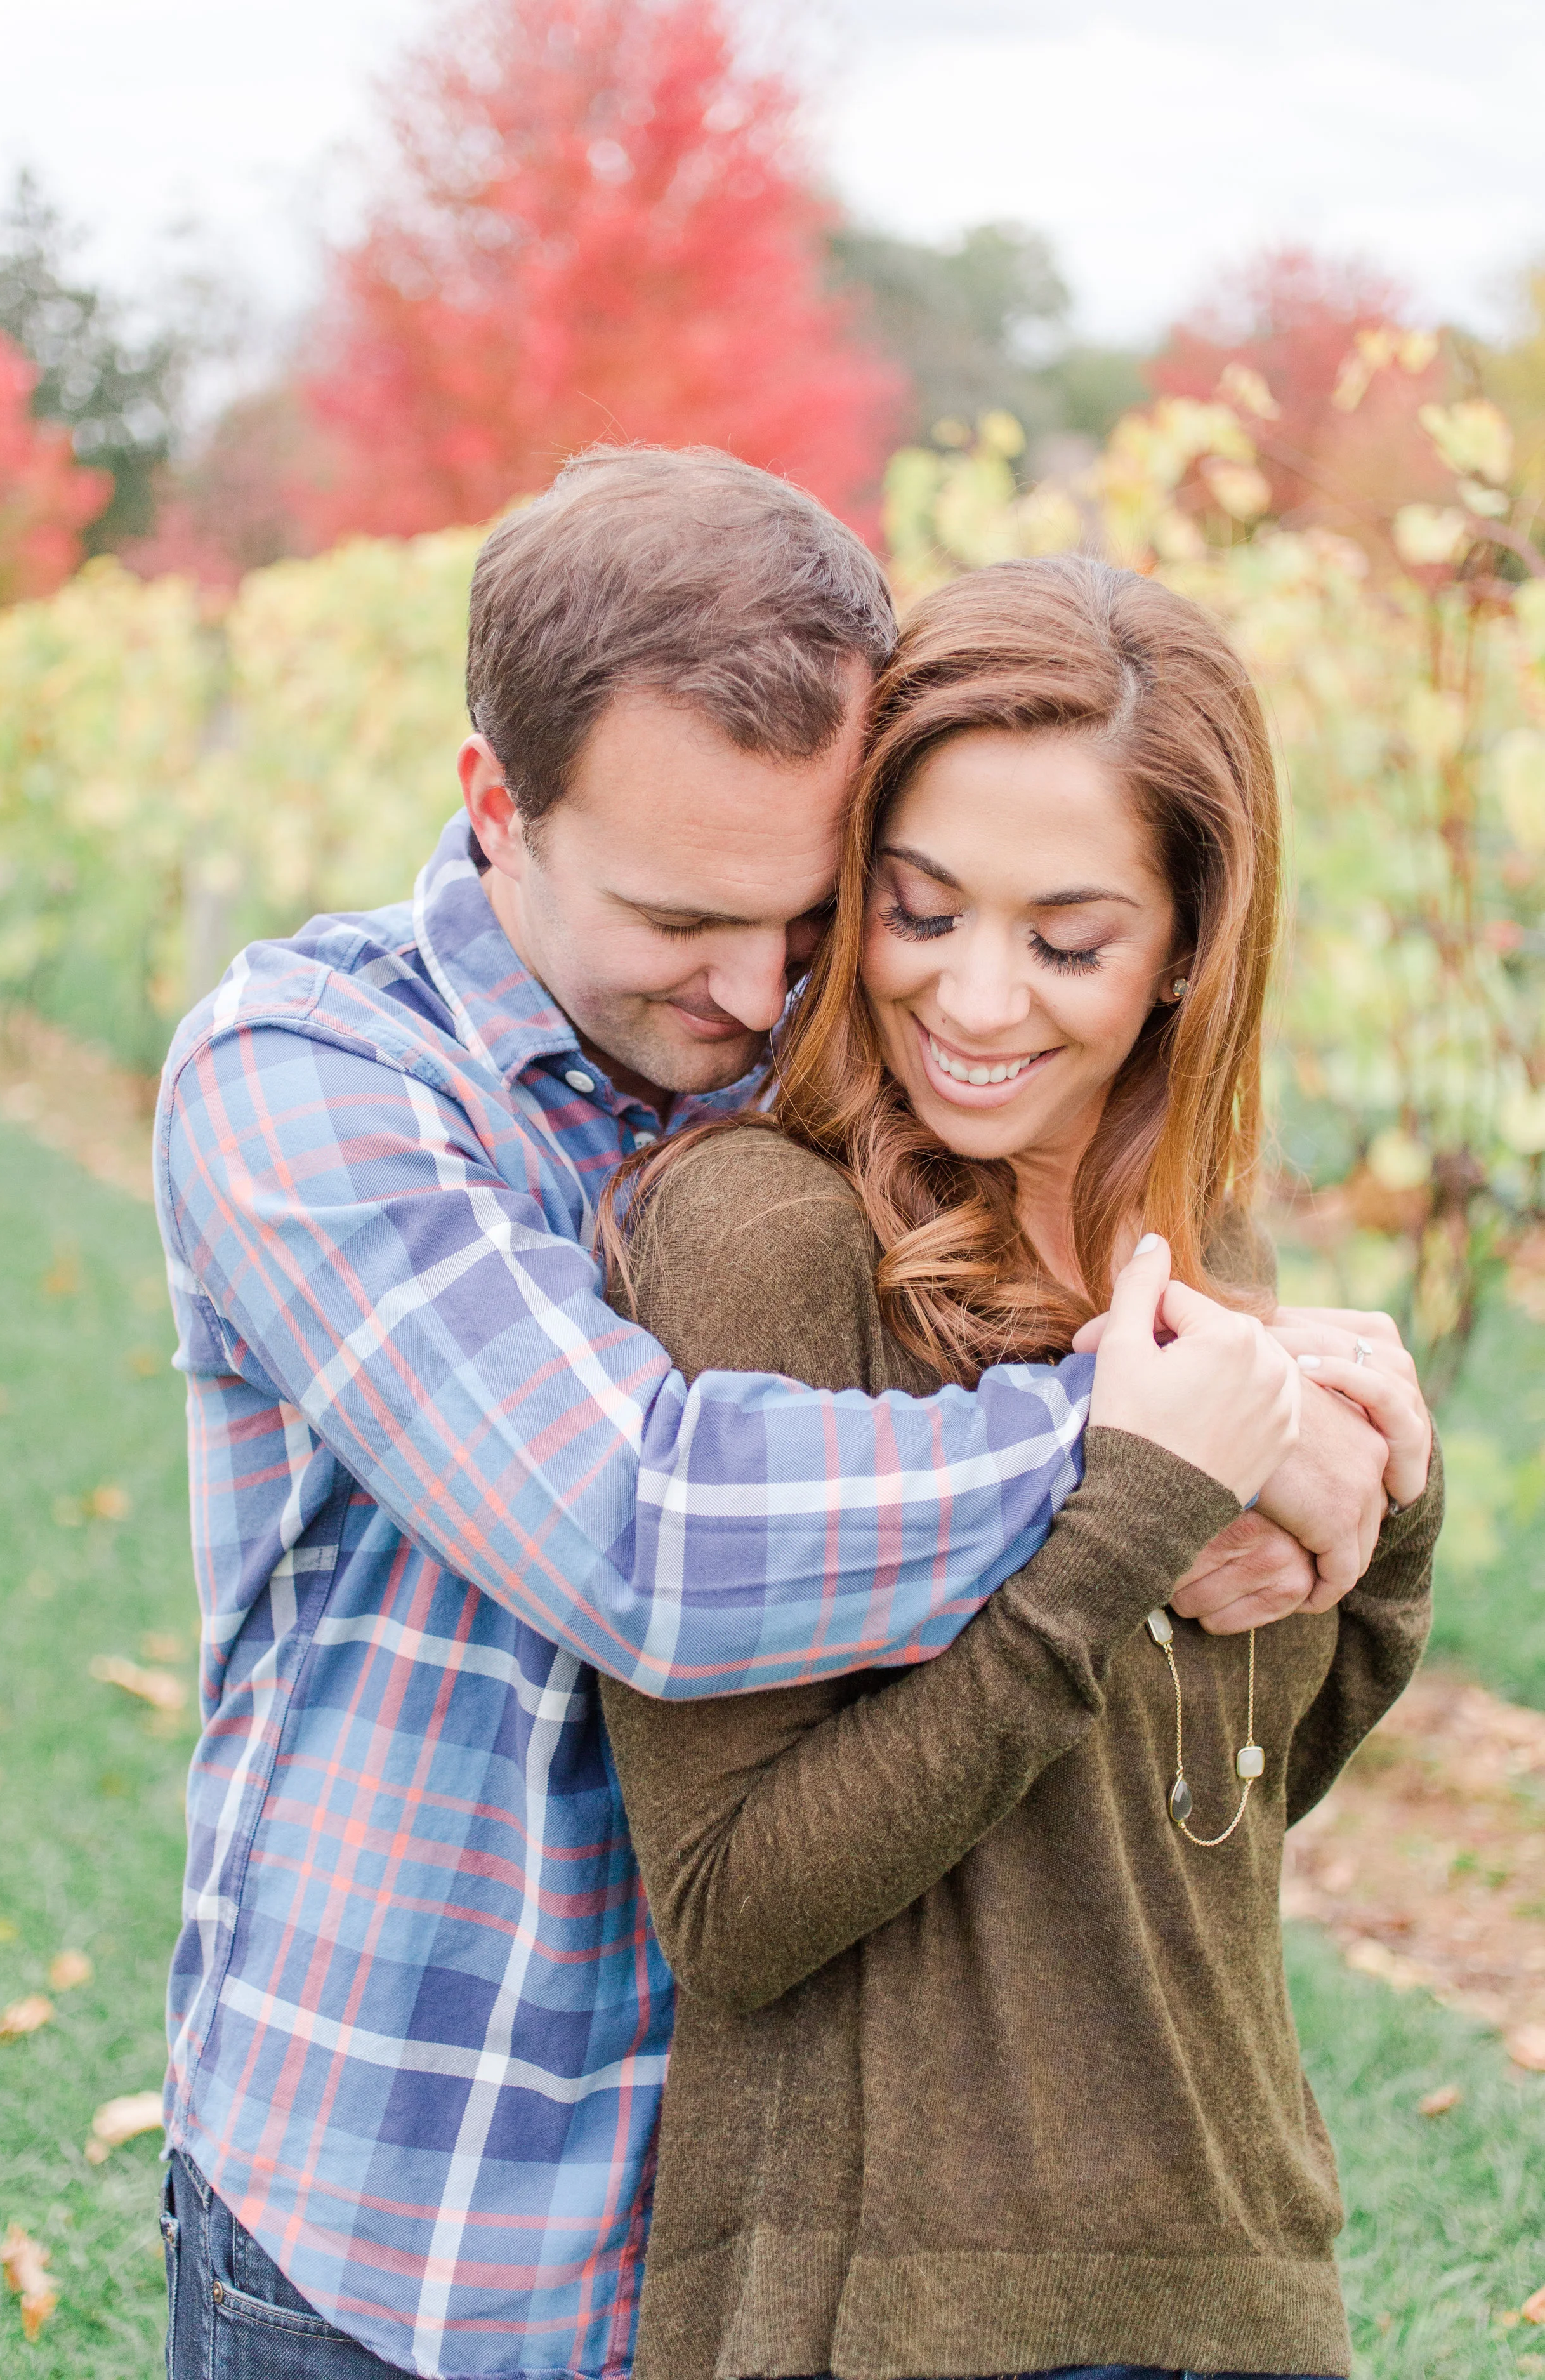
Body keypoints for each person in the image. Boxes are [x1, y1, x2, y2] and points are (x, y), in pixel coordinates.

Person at [155, 448, 1391, 2380]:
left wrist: (1318, 1459)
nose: (754, 989)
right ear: (498, 805)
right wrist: (1151, 1447)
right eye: (680, 919)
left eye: (811, 912)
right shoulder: (315, 1078)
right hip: (408, 2214)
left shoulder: (855, 1113)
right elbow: (629, 1531)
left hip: (737, 2230)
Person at [597, 554, 1442, 2380]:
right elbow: (735, 1908)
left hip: (1233, 2270)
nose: (977, 998)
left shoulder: (1191, 1238)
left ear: (1187, 950)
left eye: (1068, 940)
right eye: (917, 911)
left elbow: (1196, 1822)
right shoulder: (765, 1234)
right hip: (899, 2308)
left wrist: (1381, 1512)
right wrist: (1115, 1530)